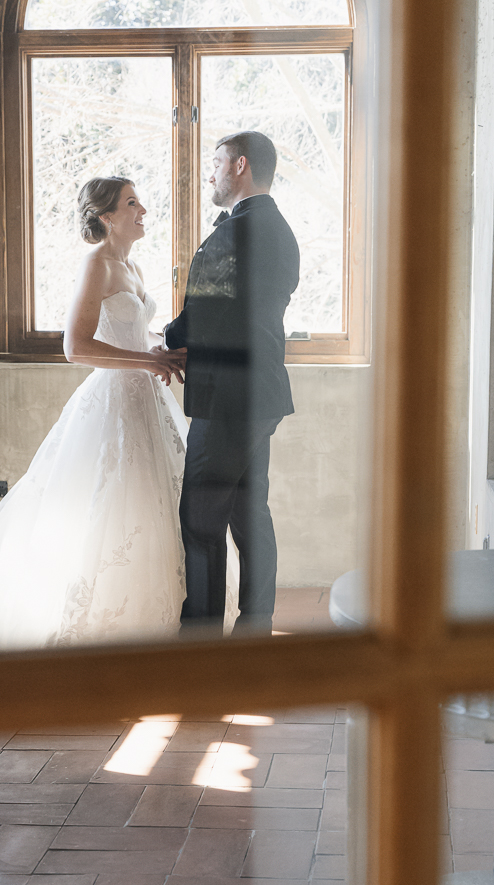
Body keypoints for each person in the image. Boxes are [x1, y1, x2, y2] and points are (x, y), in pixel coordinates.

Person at [0, 176, 191, 654]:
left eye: (141, 201)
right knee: (107, 507)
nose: (144, 210)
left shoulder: (133, 266)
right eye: (132, 203)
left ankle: (157, 621)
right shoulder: (96, 264)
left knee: (156, 506)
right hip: (113, 403)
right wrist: (147, 360)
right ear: (105, 216)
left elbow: (131, 335)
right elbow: (75, 347)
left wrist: (157, 349)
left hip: (148, 400)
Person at [163, 131, 300, 634]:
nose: (211, 172)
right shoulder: (280, 229)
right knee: (249, 513)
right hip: (262, 394)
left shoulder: (233, 232)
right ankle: (255, 629)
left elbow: (202, 311)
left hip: (227, 396)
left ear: (239, 165)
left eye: (216, 162)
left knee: (200, 520)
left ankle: (200, 642)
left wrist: (166, 340)